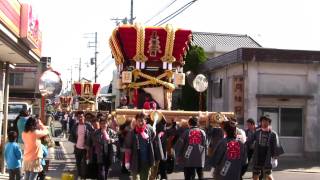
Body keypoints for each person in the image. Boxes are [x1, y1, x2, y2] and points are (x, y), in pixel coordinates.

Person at [124, 113, 156, 180]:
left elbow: (153, 135)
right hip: (135, 162)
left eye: (142, 120)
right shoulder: (131, 133)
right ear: (136, 121)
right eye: (139, 120)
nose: (141, 122)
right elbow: (128, 148)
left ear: (145, 121)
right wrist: (127, 161)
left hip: (146, 161)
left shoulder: (149, 129)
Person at [251, 116, 283, 180]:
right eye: (263, 121)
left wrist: (275, 156)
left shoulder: (273, 134)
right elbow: (250, 141)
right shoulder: (257, 132)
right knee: (255, 174)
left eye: (266, 121)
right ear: (261, 122)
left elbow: (276, 145)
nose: (264, 123)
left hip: (267, 156)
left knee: (268, 174)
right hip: (258, 156)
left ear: (269, 123)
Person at [68, 111, 94, 179]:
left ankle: (84, 177)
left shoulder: (88, 125)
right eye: (79, 117)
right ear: (77, 117)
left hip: (85, 148)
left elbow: (92, 135)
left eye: (81, 116)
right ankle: (79, 175)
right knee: (78, 163)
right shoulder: (75, 126)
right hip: (77, 147)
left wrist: (88, 145)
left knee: (84, 163)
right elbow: (72, 135)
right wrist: (74, 143)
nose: (80, 118)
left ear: (84, 117)